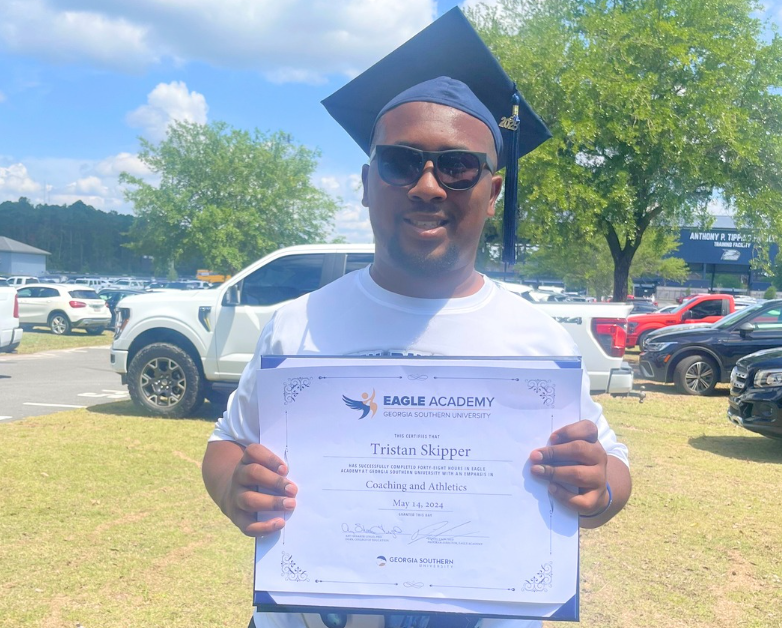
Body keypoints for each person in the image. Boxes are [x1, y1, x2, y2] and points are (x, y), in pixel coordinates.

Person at [202, 8, 631, 628]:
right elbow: (225, 446)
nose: (428, 186)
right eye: (401, 162)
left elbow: (613, 469)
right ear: (367, 182)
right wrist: (233, 486)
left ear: (493, 192)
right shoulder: (298, 326)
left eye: (458, 167)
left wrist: (600, 487)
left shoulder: (534, 337)